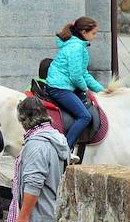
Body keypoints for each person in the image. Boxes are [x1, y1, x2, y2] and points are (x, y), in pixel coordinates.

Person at [45, 17, 104, 152]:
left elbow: (84, 74)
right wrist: (85, 89)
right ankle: (65, 148)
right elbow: (76, 76)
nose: (94, 37)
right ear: (84, 32)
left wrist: (101, 90)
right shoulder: (76, 47)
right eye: (93, 33)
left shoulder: (77, 45)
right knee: (84, 116)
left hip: (62, 84)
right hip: (59, 87)